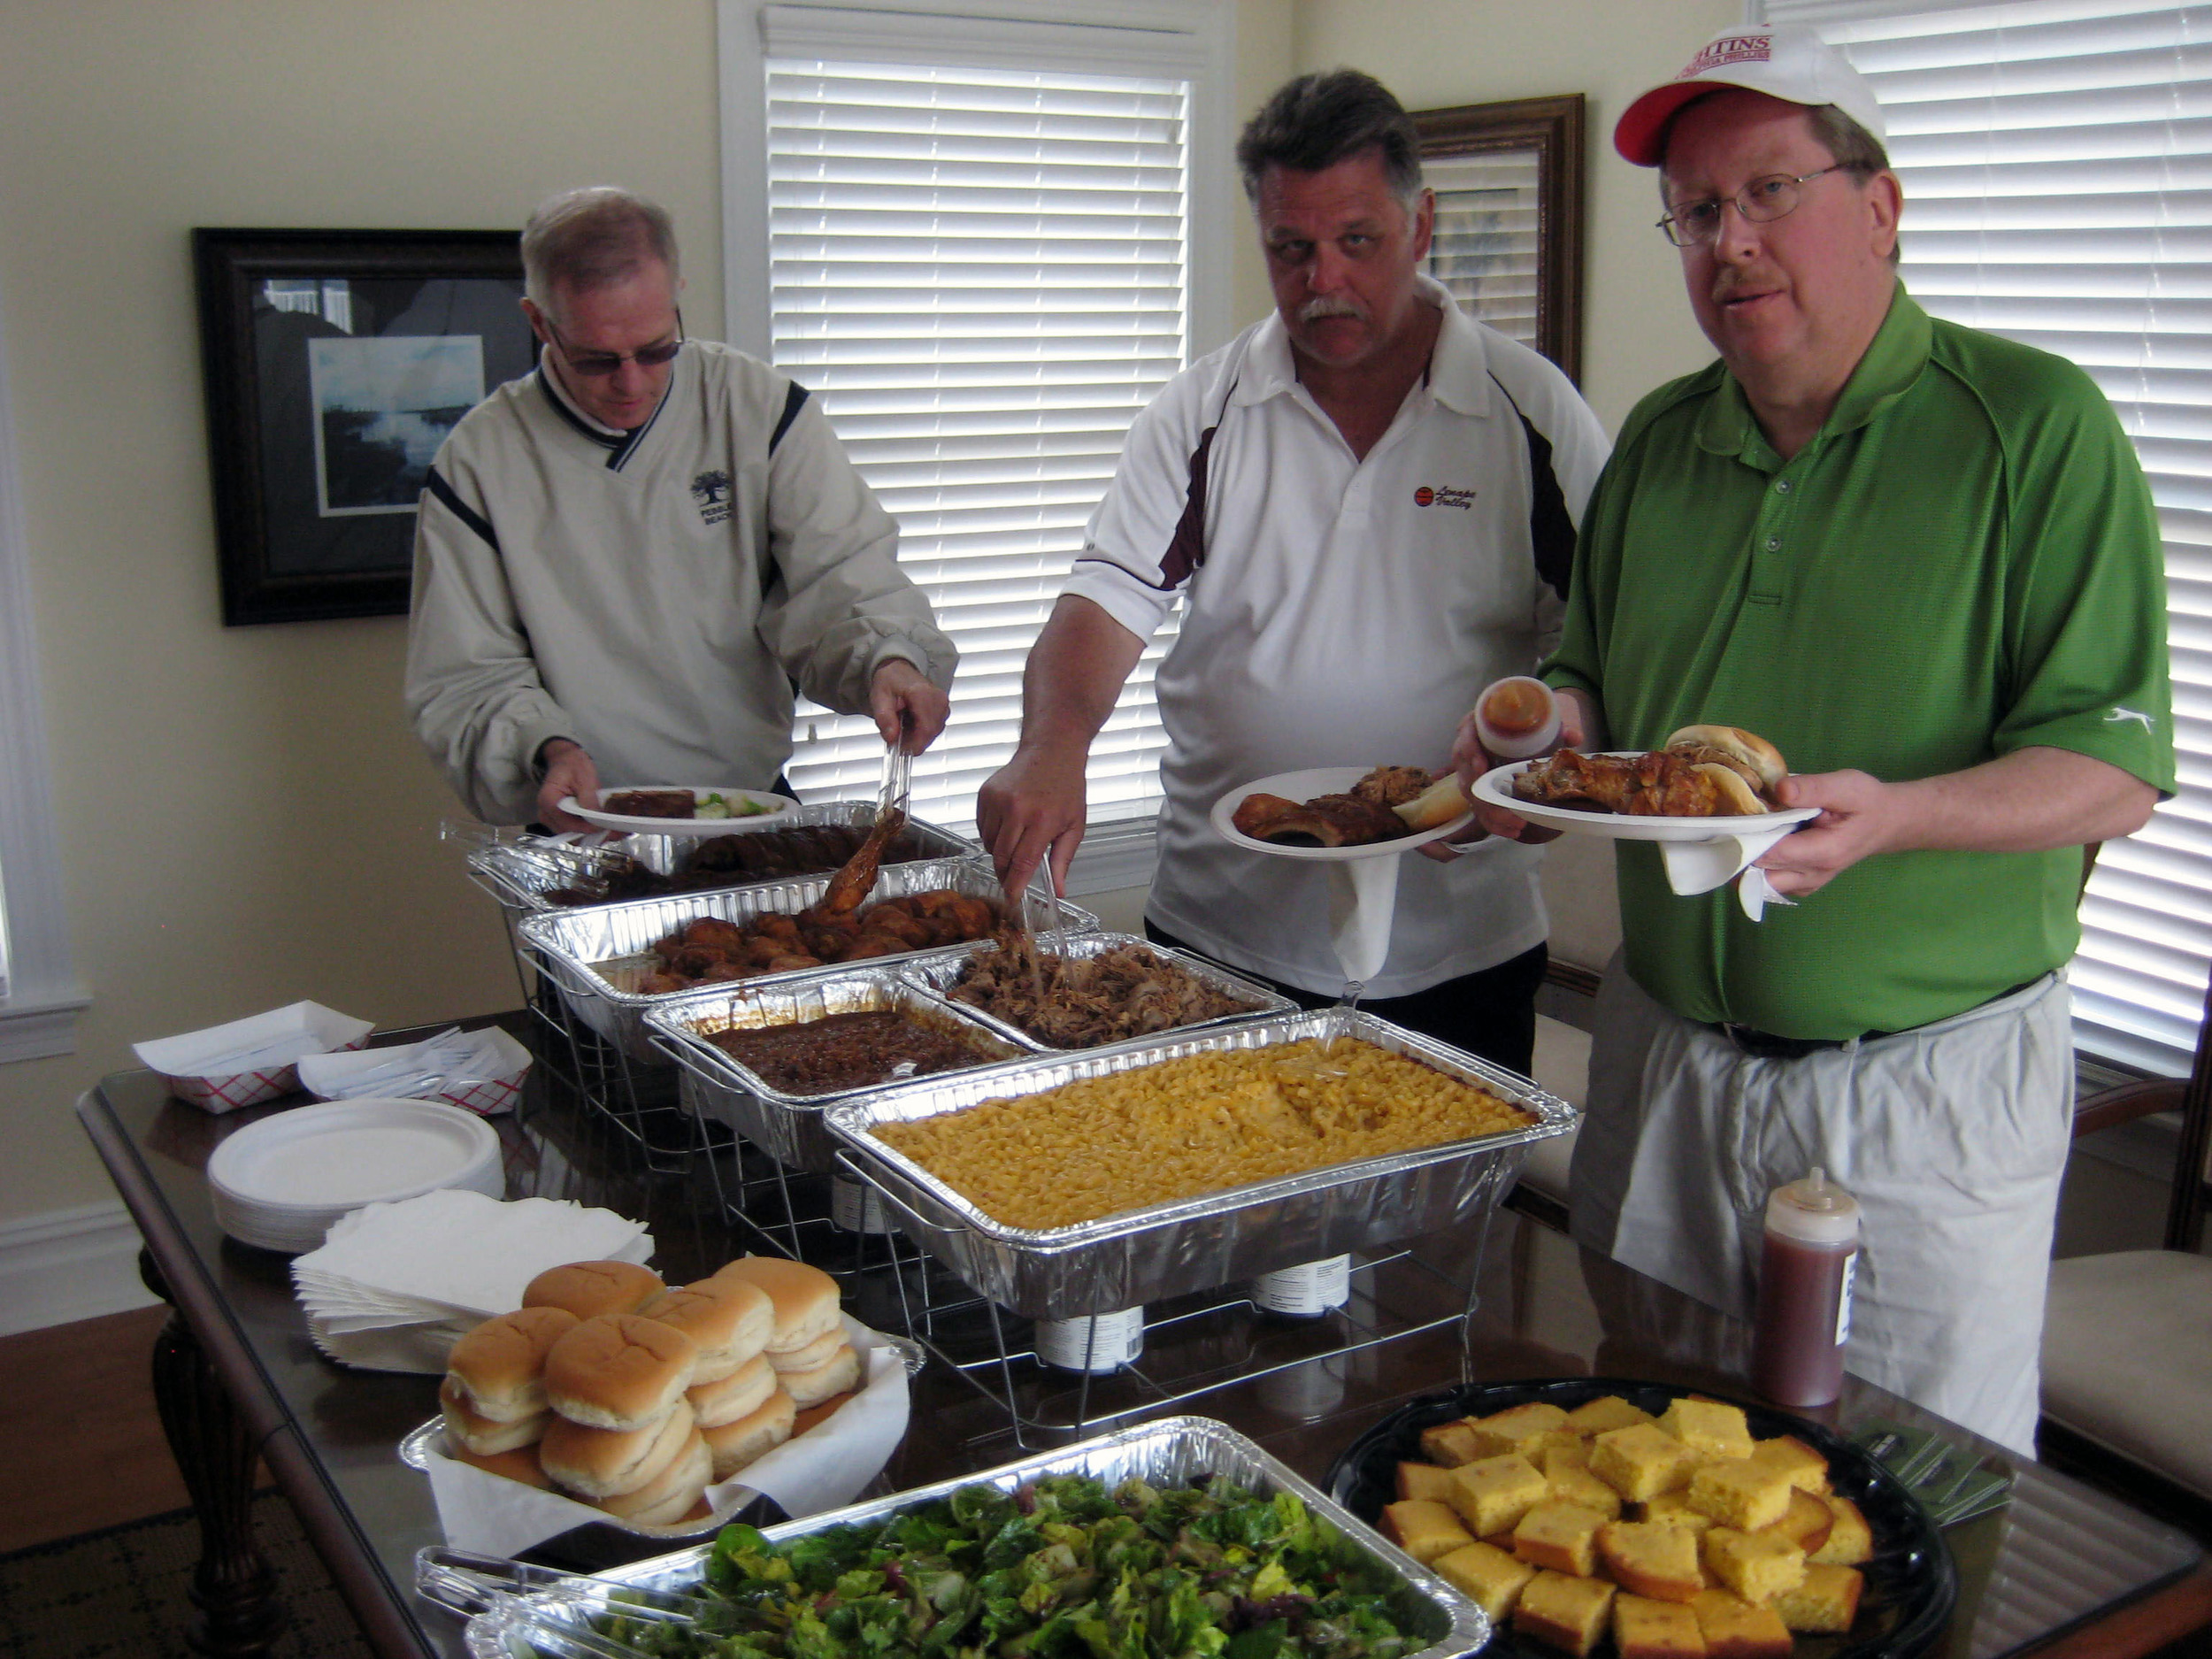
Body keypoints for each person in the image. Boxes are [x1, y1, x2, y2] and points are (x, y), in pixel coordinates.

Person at [1466, 26, 2174, 1451]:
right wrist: (1538, 740)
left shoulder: (2036, 428)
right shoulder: (1660, 441)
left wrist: (1898, 813)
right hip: (1665, 1066)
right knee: (1644, 1462)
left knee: (1917, 1490)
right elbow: (1591, 681)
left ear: (1882, 204)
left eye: (1771, 191)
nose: (1730, 241)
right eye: (1697, 211)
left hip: (1917, 1091)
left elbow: (2113, 768)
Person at [976, 71, 1609, 1073]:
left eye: (1357, 242)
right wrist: (1052, 745)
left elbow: (1614, 640)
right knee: (1218, 1221)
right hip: (1224, 937)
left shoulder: (1529, 413)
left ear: (1422, 225)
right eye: (1290, 249)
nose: (1323, 282)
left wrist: (1546, 780)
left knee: (1436, 1227)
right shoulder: (1204, 410)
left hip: (1459, 941)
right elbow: (1105, 598)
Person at [405, 187, 955, 829]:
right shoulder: (478, 463)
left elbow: (841, 577)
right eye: (597, 360)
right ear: (538, 322)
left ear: (676, 297)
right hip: (580, 820)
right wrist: (546, 749)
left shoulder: (759, 411)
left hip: (748, 806)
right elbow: (465, 676)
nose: (631, 382)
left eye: (657, 347)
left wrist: (888, 658)